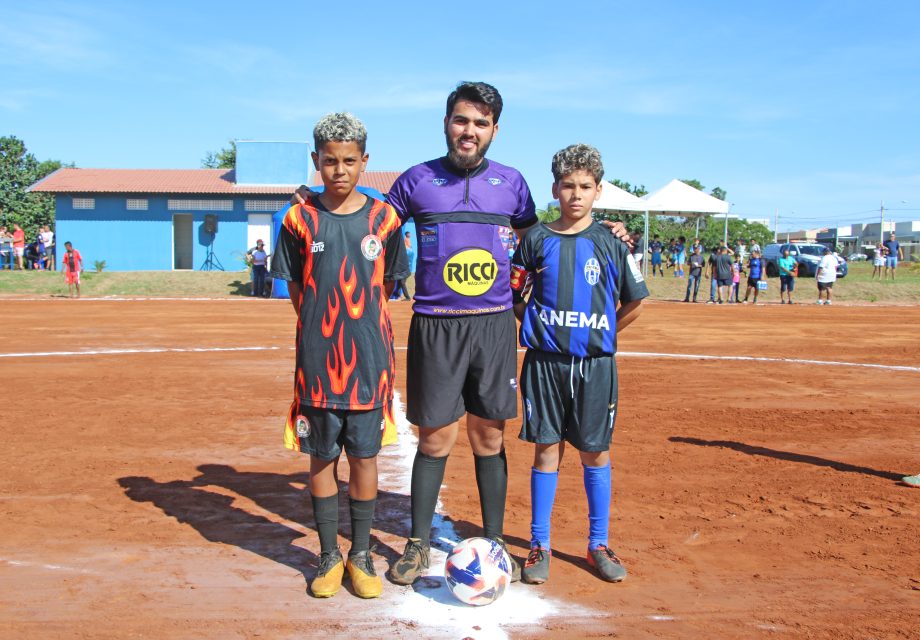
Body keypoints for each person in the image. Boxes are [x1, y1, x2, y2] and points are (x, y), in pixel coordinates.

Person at [291, 83, 631, 587]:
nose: (468, 131)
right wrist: (312, 202)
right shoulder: (415, 181)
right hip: (435, 325)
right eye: (460, 120)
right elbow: (366, 219)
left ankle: (493, 541)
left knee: (489, 436)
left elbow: (543, 239)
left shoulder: (513, 185)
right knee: (435, 439)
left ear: (495, 129)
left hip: (493, 326)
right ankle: (417, 544)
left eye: (480, 122)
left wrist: (606, 230)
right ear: (447, 123)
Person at [271, 112, 409, 599]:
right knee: (321, 459)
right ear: (315, 161)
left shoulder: (385, 220)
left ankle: (362, 555)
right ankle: (329, 555)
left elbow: (389, 286)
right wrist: (319, 327)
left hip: (370, 362)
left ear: (365, 161)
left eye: (349, 160)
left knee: (365, 458)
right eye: (329, 161)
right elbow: (294, 287)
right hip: (317, 362)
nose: (339, 170)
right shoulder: (297, 218)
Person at [509, 144, 648, 585]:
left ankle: (598, 543)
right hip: (545, 364)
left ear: (598, 190)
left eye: (585, 186)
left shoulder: (610, 242)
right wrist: (541, 328)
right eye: (567, 185)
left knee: (595, 451)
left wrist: (600, 336)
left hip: (595, 366)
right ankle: (539, 544)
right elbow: (515, 296)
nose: (575, 194)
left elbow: (635, 302)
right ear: (554, 189)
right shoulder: (534, 241)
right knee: (547, 449)